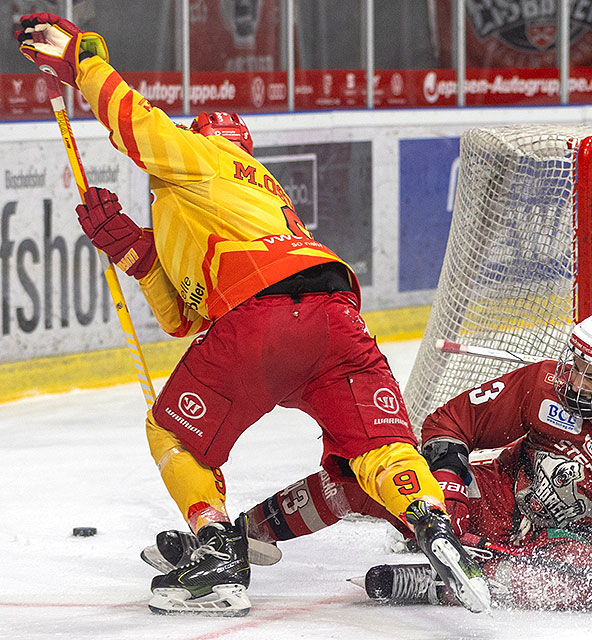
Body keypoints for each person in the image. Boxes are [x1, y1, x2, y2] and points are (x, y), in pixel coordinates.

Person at [15, 13, 489, 616]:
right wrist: (136, 252)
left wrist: (83, 61)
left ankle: (214, 555)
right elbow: (187, 316)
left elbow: (135, 125)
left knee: (172, 433)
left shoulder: (201, 158)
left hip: (264, 319)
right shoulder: (254, 197)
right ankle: (432, 525)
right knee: (378, 445)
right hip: (337, 318)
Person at [152, 306, 592, 619]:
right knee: (364, 475)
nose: (576, 378)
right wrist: (448, 494)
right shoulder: (542, 383)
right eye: (577, 362)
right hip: (494, 497)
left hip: (561, 542)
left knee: (567, 587)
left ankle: (443, 578)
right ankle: (236, 539)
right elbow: (448, 424)